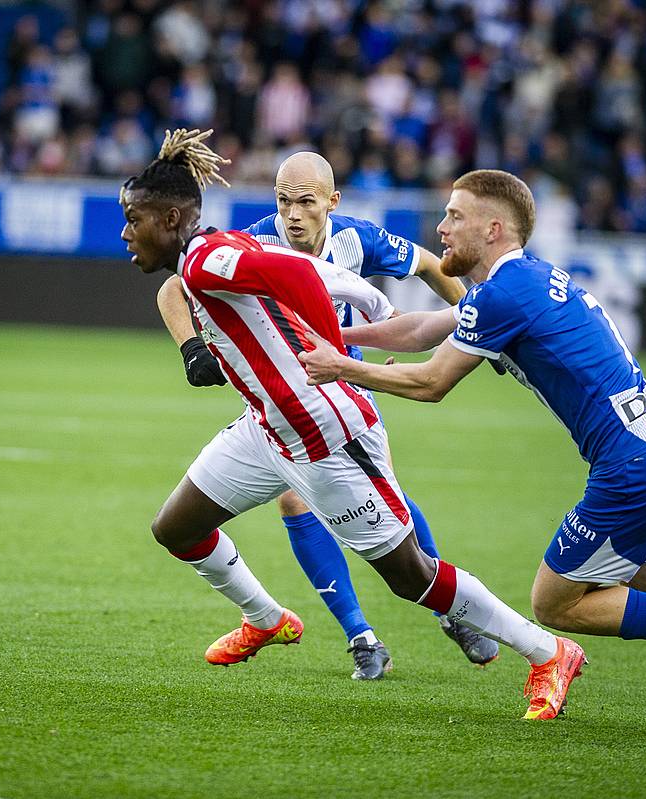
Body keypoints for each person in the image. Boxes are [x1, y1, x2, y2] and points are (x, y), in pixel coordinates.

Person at [124, 129, 585, 721]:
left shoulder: (210, 258)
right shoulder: (213, 249)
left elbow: (302, 281)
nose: (125, 233)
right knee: (177, 529)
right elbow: (304, 269)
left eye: (133, 219)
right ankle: (267, 619)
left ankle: (550, 651)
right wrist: (372, 306)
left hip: (326, 434)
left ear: (170, 218)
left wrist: (332, 344)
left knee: (411, 576)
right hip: (267, 428)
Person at [299, 168, 646, 736]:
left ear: (494, 228)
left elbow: (431, 383)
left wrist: (339, 368)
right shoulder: (522, 282)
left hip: (634, 463)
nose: (442, 227)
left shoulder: (503, 293)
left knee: (556, 604)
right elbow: (425, 327)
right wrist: (341, 337)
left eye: (455, 216)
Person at [155, 152, 496, 679]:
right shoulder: (256, 239)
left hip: (345, 396)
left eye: (305, 202)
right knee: (296, 500)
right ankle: (361, 637)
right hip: (283, 400)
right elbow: (174, 284)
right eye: (283, 201)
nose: (292, 215)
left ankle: (450, 610)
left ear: (331, 202)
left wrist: (477, 325)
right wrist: (191, 348)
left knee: (390, 508)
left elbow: (430, 264)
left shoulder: (358, 239)